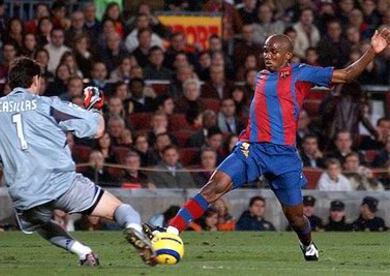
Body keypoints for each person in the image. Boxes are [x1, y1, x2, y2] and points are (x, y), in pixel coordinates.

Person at [144, 29, 390, 261]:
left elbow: (346, 75)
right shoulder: (261, 75)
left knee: (295, 218)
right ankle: (171, 230)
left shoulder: (301, 73)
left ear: (288, 55)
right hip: (251, 148)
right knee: (215, 185)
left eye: (273, 51)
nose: (267, 55)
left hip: (283, 157)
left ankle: (307, 244)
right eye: (265, 50)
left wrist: (372, 51)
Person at [0, 57, 155, 266]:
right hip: (63, 184)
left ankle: (83, 252)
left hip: (24, 192)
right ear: (36, 80)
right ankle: (134, 229)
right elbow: (97, 130)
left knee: (40, 224)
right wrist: (95, 106)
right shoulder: (48, 105)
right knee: (120, 210)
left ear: (10, 82)